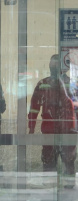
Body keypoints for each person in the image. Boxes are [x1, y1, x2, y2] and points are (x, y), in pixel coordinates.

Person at [28, 54, 76, 188]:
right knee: (48, 160)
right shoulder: (43, 84)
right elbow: (34, 107)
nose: (53, 67)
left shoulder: (71, 84)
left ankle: (68, 188)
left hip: (68, 130)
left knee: (69, 160)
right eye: (52, 65)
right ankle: (49, 189)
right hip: (50, 130)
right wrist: (31, 126)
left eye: (55, 65)